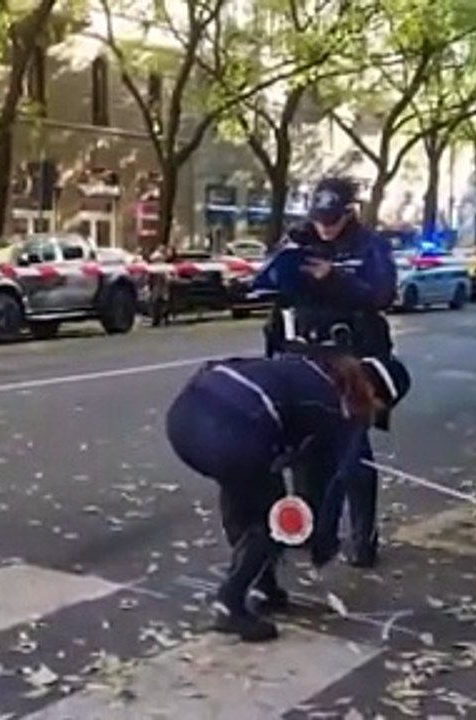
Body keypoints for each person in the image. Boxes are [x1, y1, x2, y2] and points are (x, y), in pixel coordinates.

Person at [165, 352, 411, 642]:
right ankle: (230, 603)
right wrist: (322, 539)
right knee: (277, 517)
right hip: (229, 426)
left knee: (242, 486)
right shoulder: (335, 410)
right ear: (374, 394)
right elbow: (323, 484)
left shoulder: (316, 367)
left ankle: (263, 585)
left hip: (185, 415)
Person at [261, 176, 397, 569]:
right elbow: (271, 291)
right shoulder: (298, 241)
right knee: (304, 448)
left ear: (349, 212)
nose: (325, 227)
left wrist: (335, 278)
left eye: (332, 219)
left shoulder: (370, 246)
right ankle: (314, 531)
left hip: (352, 356)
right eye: (319, 218)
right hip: (302, 353)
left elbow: (383, 294)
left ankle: (363, 537)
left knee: (353, 448)